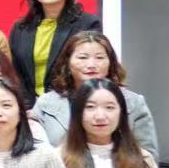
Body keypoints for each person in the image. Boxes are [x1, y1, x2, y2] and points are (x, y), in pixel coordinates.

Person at [32, 31, 160, 155]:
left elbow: (148, 156)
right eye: (83, 57)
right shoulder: (46, 104)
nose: (91, 64)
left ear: (110, 63)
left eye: (99, 57)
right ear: (67, 63)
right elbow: (35, 155)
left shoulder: (134, 103)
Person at [7, 0, 99, 101]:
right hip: (30, 108)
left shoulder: (87, 24)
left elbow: (89, 69)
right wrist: (28, 107)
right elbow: (15, 73)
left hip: (70, 103)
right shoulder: (20, 28)